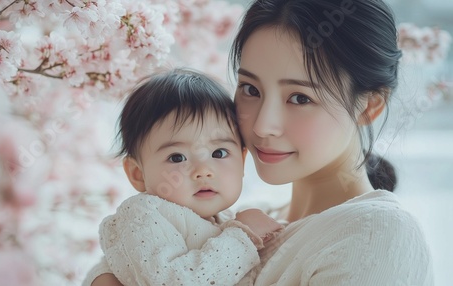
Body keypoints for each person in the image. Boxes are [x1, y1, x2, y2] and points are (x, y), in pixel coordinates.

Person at [90, 0, 434, 285]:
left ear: (369, 105)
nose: (263, 125)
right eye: (251, 90)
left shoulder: (375, 235)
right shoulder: (240, 221)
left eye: (299, 98)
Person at [82, 68, 283, 286]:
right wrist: (244, 238)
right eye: (177, 157)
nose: (203, 170)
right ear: (137, 174)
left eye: (219, 153)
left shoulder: (226, 220)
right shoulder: (144, 214)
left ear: (242, 161)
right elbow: (177, 281)